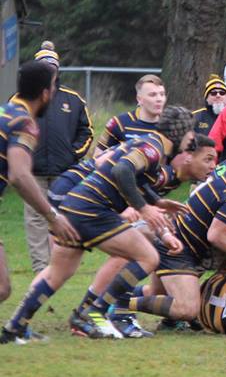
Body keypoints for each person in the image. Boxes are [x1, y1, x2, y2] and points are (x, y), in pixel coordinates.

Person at [0, 105, 199, 342]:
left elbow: (135, 177)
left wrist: (157, 201)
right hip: (93, 210)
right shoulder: (153, 149)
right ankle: (93, 313)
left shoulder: (149, 143)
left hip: (74, 207)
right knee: (148, 257)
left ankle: (14, 327)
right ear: (179, 132)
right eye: (190, 131)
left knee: (57, 273)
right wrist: (144, 209)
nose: (191, 138)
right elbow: (122, 171)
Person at [125, 138, 226, 326]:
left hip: (176, 233)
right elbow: (216, 235)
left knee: (157, 294)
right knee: (187, 309)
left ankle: (108, 296)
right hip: (180, 247)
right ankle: (116, 305)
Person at [0, 62, 81, 344]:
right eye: (54, 87)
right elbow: (20, 175)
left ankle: (13, 332)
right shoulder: (24, 123)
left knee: (2, 286)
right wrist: (52, 217)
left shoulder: (6, 111)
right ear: (46, 93)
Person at [26, 41, 92, 274]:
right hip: (32, 172)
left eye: (52, 66)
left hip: (65, 172)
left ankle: (60, 264)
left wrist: (73, 154)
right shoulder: (22, 99)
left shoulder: (73, 99)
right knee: (36, 218)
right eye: (43, 66)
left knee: (65, 216)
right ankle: (41, 268)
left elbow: (86, 131)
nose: (48, 70)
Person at [93, 74, 167, 155]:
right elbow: (97, 156)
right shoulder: (119, 123)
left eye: (162, 94)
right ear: (139, 99)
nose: (159, 99)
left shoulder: (170, 126)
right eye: (152, 95)